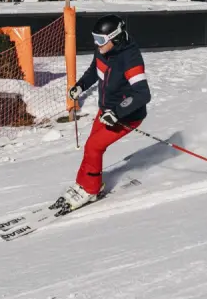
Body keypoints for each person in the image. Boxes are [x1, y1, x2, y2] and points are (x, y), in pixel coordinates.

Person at [55, 14, 151, 214]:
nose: (96, 43)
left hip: (127, 115)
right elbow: (94, 71)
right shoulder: (102, 51)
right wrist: (80, 86)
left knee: (93, 146)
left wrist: (117, 112)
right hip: (107, 109)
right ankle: (84, 183)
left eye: (100, 39)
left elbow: (142, 94)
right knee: (92, 146)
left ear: (114, 38)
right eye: (94, 38)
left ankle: (90, 190)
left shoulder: (130, 58)